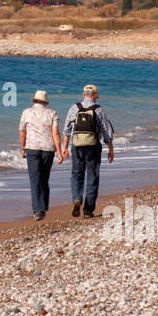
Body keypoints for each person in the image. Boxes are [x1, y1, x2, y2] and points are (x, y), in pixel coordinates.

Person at [62, 83, 114, 218]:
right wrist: (110, 150)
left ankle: (77, 199)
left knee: (76, 174)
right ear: (95, 95)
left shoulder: (74, 107)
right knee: (92, 176)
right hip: (93, 146)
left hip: (77, 145)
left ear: (83, 95)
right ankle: (88, 210)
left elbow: (67, 130)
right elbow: (106, 132)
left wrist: (64, 148)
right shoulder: (98, 109)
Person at [19, 90, 63, 220]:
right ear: (45, 102)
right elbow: (55, 134)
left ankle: (38, 210)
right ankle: (43, 206)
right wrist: (59, 153)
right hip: (48, 149)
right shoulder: (52, 113)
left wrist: (23, 148)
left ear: (34, 100)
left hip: (32, 148)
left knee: (35, 180)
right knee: (44, 178)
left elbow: (22, 132)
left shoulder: (26, 112)